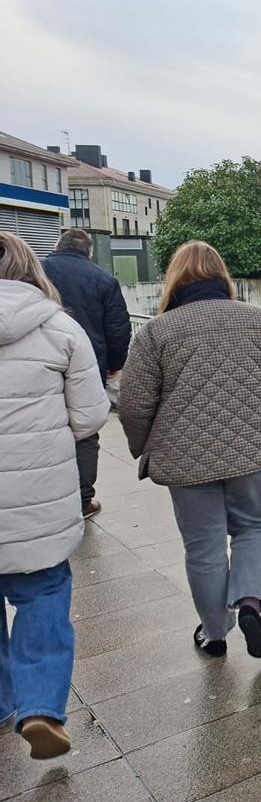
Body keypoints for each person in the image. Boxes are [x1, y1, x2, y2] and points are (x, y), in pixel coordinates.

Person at [118, 241, 261, 658]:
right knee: (253, 527)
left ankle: (215, 633)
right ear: (222, 277)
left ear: (175, 280)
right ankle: (251, 604)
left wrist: (143, 445)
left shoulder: (157, 331)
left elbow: (134, 402)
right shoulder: (260, 321)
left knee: (202, 546)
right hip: (253, 450)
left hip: (184, 457)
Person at [0, 232, 110, 759]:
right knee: (42, 591)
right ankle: (40, 706)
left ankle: (2, 702)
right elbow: (90, 415)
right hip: (37, 495)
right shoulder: (60, 329)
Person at [42, 228, 131, 519]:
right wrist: (114, 364)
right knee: (85, 431)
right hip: (88, 366)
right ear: (88, 252)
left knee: (41, 426)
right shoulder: (104, 280)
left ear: (57, 247)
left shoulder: (37, 272)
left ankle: (43, 495)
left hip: (40, 362)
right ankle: (82, 499)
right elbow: (118, 328)